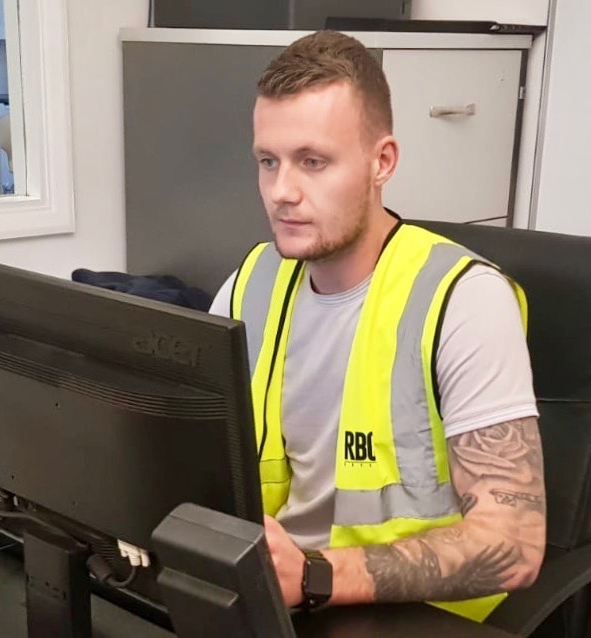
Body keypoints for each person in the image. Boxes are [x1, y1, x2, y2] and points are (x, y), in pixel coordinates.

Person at [209, 31, 545, 622]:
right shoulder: (250, 284)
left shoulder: (464, 300)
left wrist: (315, 574)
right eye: (269, 161)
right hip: (282, 598)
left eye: (313, 162)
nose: (281, 191)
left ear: (381, 161)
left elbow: (515, 545)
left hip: (416, 615)